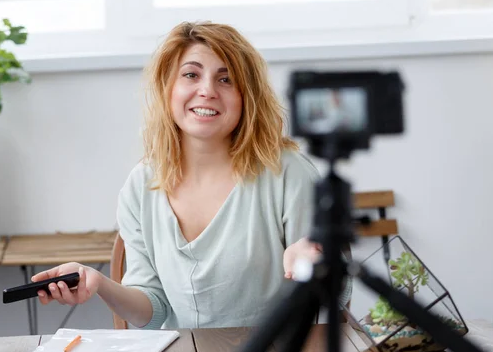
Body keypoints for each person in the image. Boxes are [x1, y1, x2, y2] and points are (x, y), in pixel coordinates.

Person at [31, 21, 352, 329]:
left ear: (247, 96)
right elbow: (152, 311)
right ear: (168, 89)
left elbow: (334, 293)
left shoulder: (287, 174)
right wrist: (99, 283)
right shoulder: (141, 185)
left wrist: (316, 260)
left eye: (226, 80)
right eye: (191, 75)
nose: (207, 90)